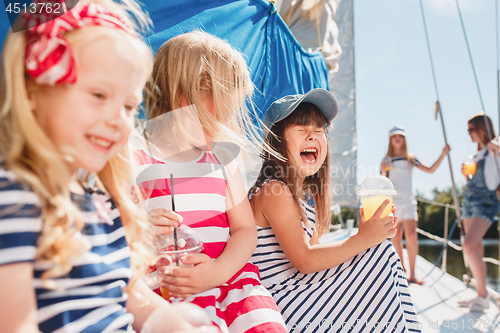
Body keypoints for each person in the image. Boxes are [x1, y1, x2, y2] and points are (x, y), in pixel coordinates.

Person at [0, 1, 214, 332]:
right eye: (99, 95)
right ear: (33, 91)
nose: (119, 120)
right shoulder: (14, 198)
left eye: (129, 106)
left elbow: (133, 298)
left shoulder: (104, 206)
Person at [131, 31, 288, 332]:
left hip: (230, 288)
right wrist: (140, 227)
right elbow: (118, 225)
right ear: (183, 102)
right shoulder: (136, 155)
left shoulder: (223, 159)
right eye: (222, 114)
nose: (227, 125)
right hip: (164, 294)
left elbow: (244, 229)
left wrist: (219, 270)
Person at [248, 89, 421, 332]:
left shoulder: (300, 197)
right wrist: (362, 239)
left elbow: (317, 254)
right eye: (300, 129)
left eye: (319, 130)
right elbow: (305, 261)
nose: (312, 136)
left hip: (299, 292)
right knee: (381, 254)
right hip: (283, 300)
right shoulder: (273, 190)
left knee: (379, 251)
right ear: (277, 141)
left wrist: (366, 237)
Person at [380, 125, 450, 285]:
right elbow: (383, 182)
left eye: (400, 136)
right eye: (394, 136)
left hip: (409, 202)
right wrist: (383, 171)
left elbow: (430, 170)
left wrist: (442, 155)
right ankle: (402, 269)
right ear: (390, 140)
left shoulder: (411, 159)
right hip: (394, 202)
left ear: (404, 139)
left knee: (411, 237)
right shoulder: (385, 160)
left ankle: (413, 273)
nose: (398, 138)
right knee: (396, 237)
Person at [457, 112, 500, 312]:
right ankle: (480, 293)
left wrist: (497, 148)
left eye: (471, 130)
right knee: (477, 248)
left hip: (486, 203)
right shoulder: (477, 155)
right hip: (470, 201)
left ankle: (483, 296)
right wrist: (467, 175)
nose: (469, 134)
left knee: (468, 245)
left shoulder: (495, 148)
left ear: (482, 129)